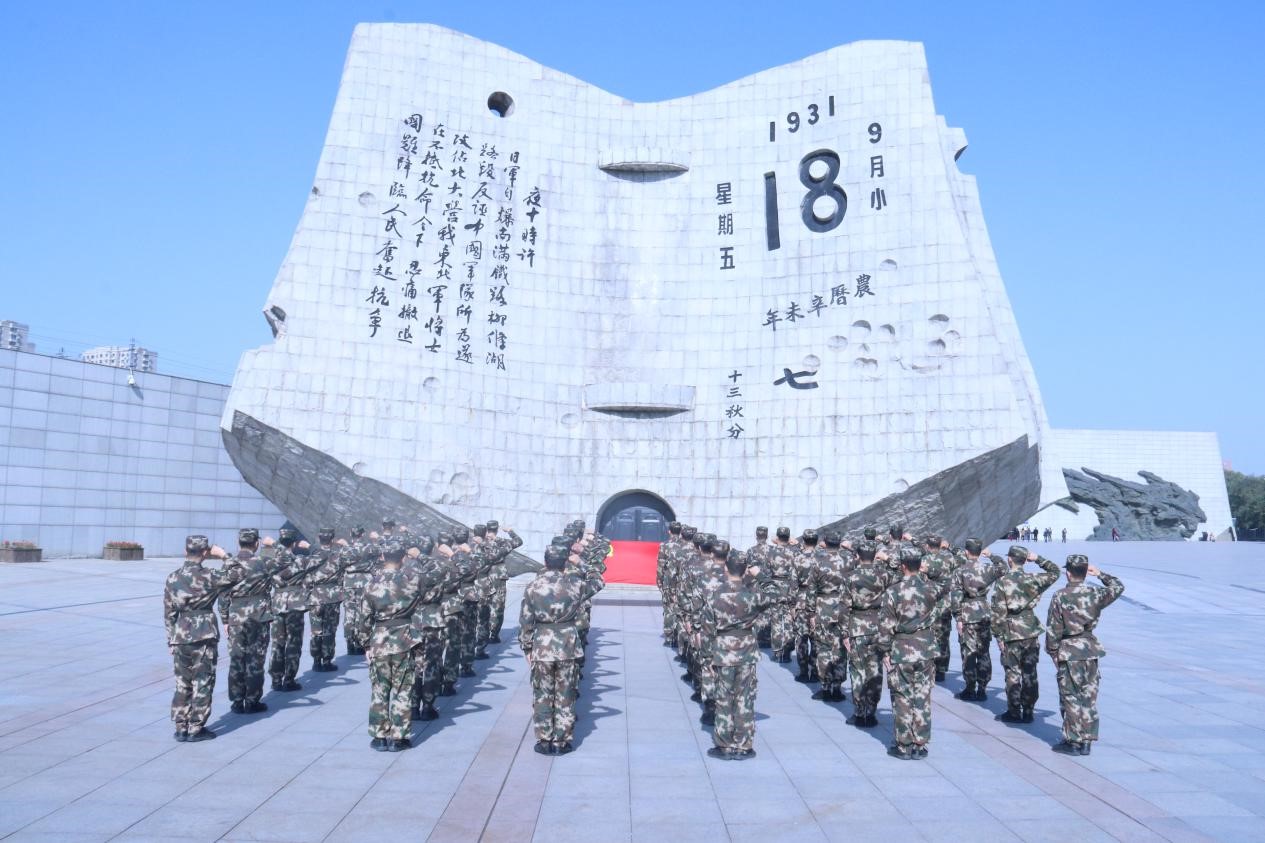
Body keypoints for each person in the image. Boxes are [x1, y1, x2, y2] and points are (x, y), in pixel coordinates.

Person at [519, 544, 604, 755]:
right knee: (566, 694)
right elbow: (599, 580)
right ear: (565, 563)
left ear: (545, 562)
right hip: (568, 645)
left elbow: (526, 621)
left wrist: (527, 648)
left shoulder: (533, 587)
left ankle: (544, 740)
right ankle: (562, 741)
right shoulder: (575, 584)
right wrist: (581, 562)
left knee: (542, 694)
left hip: (542, 646)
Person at [164, 535, 243, 742]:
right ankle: (196, 727)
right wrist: (224, 555)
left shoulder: (172, 577)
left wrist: (170, 639)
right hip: (204, 633)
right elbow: (238, 573)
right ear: (205, 553)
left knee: (182, 682)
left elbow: (169, 612)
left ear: (185, 551)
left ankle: (180, 726)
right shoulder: (210, 575)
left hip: (181, 634)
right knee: (203, 680)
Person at [1045, 556, 1125, 755]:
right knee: (1088, 696)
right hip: (1090, 650)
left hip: (1069, 650)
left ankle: (1073, 741)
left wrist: (1053, 652)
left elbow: (1054, 628)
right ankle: (1087, 741)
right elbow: (1118, 586)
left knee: (1070, 697)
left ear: (1068, 573)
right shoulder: (1095, 593)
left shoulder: (1060, 596)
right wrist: (1100, 574)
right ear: (1084, 572)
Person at [705, 549, 777, 760]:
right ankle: (743, 745)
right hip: (746, 651)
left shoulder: (714, 595)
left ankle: (724, 745)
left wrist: (708, 658)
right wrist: (760, 574)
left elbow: (707, 630)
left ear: (726, 569)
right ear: (745, 571)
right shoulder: (753, 596)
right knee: (745, 697)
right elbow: (777, 593)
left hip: (722, 651)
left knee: (723, 698)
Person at [356, 542, 425, 751]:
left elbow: (364, 619)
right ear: (403, 558)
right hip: (405, 639)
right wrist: (418, 556)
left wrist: (366, 644)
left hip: (379, 640)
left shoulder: (370, 584)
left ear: (383, 556)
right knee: (403, 689)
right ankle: (399, 738)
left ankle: (379, 737)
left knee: (379, 688)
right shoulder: (413, 581)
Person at [877, 547, 944, 760]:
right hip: (926, 649)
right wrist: (929, 570)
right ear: (920, 566)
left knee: (902, 697)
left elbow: (885, 625)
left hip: (902, 649)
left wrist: (884, 651)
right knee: (922, 696)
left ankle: (904, 745)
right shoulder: (932, 589)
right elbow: (949, 583)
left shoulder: (893, 591)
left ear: (903, 566)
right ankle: (920, 744)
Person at [220, 528, 288, 714]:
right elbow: (288, 558)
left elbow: (223, 594)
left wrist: (225, 619)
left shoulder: (230, 563)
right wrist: (274, 544)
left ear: (238, 542)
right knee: (255, 659)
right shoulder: (264, 562)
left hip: (236, 616)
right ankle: (252, 701)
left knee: (237, 659)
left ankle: (237, 701)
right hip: (259, 616)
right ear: (256, 544)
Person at [990, 546, 1060, 724]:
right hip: (1030, 630)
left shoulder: (1003, 582)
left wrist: (998, 636)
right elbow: (1055, 572)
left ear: (1010, 559)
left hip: (1011, 631)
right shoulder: (1033, 578)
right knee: (1030, 672)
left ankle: (1014, 711)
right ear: (1025, 560)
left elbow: (998, 612)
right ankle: (1028, 710)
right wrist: (1038, 559)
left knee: (1012, 672)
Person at [842, 541, 894, 728]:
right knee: (875, 670)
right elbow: (901, 571)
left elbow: (844, 606)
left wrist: (844, 633)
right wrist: (887, 559)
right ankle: (871, 711)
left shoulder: (850, 577)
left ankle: (859, 711)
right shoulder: (884, 575)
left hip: (857, 627)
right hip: (878, 627)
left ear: (857, 556)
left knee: (857, 670)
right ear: (874, 556)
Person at [949, 539, 1007, 702]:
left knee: (968, 652)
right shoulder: (988, 568)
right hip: (984, 612)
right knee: (983, 652)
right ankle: (982, 688)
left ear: (966, 552)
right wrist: (992, 556)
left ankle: (970, 688)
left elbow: (956, 596)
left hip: (967, 614)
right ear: (980, 552)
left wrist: (958, 617)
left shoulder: (960, 571)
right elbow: (1004, 567)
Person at [267, 528, 320, 691]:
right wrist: (309, 546)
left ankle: (276, 679)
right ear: (295, 543)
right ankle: (289, 679)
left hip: (278, 605)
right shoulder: (300, 561)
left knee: (277, 643)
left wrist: (275, 545)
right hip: (295, 606)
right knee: (294, 643)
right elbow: (322, 556)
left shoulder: (271, 563)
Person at [308, 528, 350, 672]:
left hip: (316, 596)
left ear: (319, 539)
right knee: (329, 630)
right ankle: (326, 661)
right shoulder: (338, 556)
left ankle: (316, 661)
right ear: (332, 540)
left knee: (316, 630)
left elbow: (306, 576)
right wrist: (345, 546)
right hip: (332, 597)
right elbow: (354, 559)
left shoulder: (313, 556)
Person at [341, 526, 375, 655]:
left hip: (349, 582)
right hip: (365, 581)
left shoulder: (345, 549)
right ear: (363, 534)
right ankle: (361, 643)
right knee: (363, 612)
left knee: (349, 612)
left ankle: (349, 642)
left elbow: (340, 565)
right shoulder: (370, 548)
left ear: (351, 534)